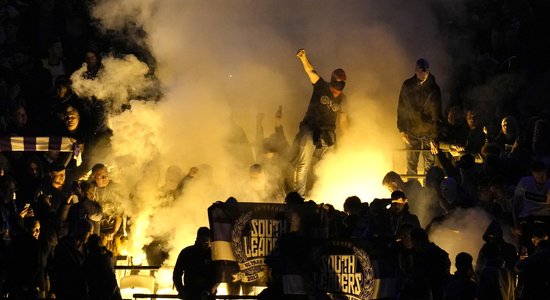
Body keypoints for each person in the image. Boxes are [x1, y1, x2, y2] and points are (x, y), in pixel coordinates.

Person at [287, 48, 347, 196]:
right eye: (336, 85)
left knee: (329, 165)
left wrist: (343, 139)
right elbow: (311, 72)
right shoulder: (321, 86)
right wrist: (303, 58)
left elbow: (343, 118)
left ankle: (324, 194)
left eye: (341, 85)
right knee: (303, 164)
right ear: (332, 81)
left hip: (328, 132)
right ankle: (299, 197)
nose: (336, 90)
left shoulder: (343, 99)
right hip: (311, 129)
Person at [397, 58, 442, 176]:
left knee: (429, 167)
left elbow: (436, 114)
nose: (424, 73)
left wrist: (434, 137)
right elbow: (401, 108)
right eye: (421, 71)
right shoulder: (407, 85)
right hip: (411, 130)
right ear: (415, 70)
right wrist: (402, 129)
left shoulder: (433, 88)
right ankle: (412, 191)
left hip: (428, 132)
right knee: (411, 165)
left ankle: (428, 192)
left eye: (425, 71)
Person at [173, 226, 217, 300]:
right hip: (190, 294)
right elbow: (177, 273)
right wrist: (181, 289)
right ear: (198, 239)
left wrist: (209, 290)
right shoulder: (187, 253)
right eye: (205, 242)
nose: (207, 244)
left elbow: (218, 275)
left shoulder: (213, 254)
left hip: (207, 296)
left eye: (208, 242)